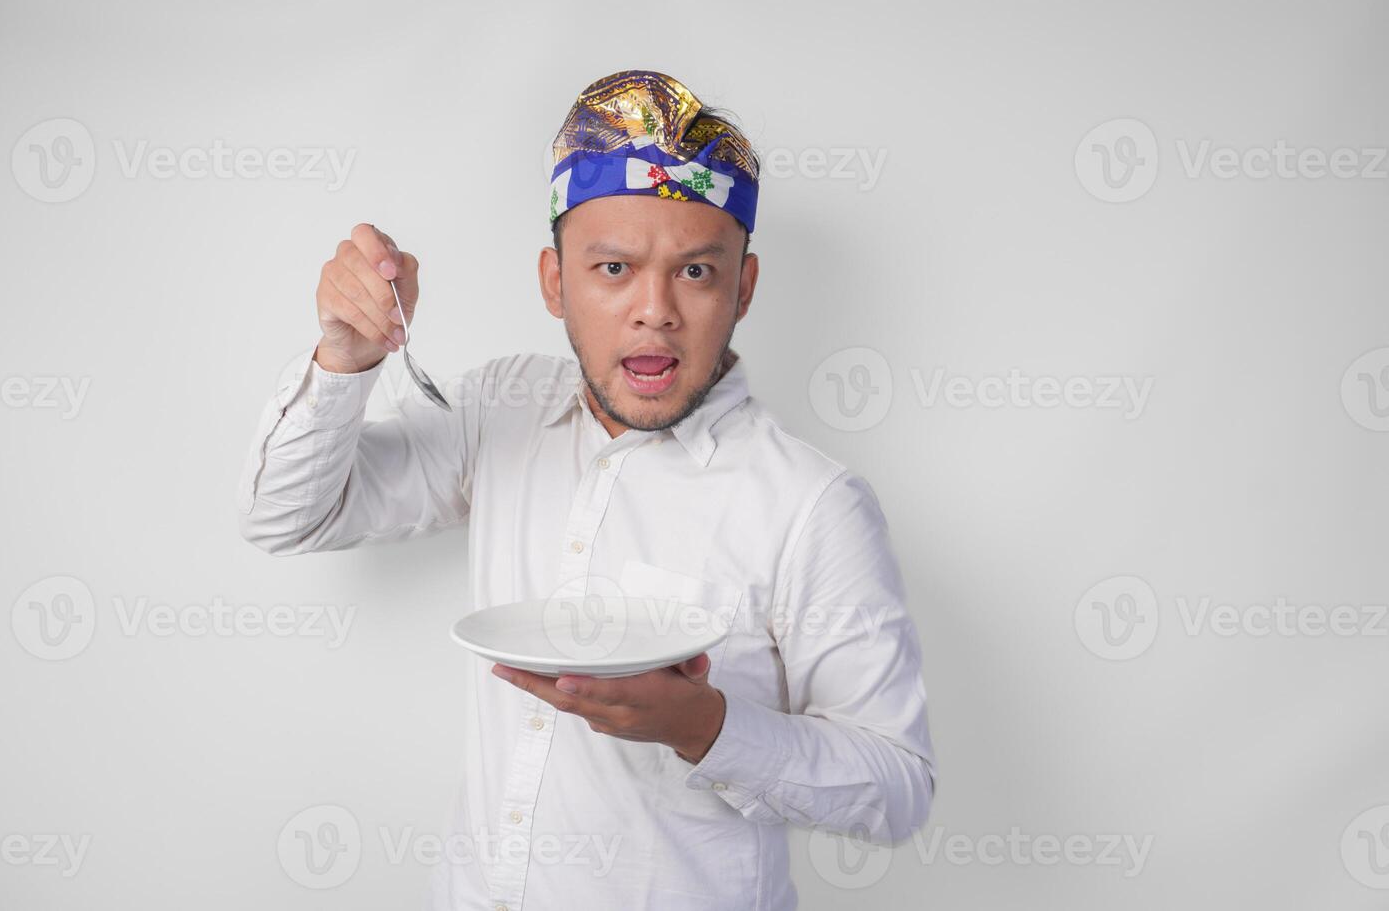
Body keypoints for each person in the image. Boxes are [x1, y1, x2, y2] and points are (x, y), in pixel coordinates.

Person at [237, 69, 935, 910]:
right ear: (555, 283)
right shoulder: (501, 410)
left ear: (743, 290)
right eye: (612, 267)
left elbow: (898, 789)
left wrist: (703, 728)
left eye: (697, 274)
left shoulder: (811, 505)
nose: (655, 311)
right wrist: (346, 358)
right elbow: (285, 516)